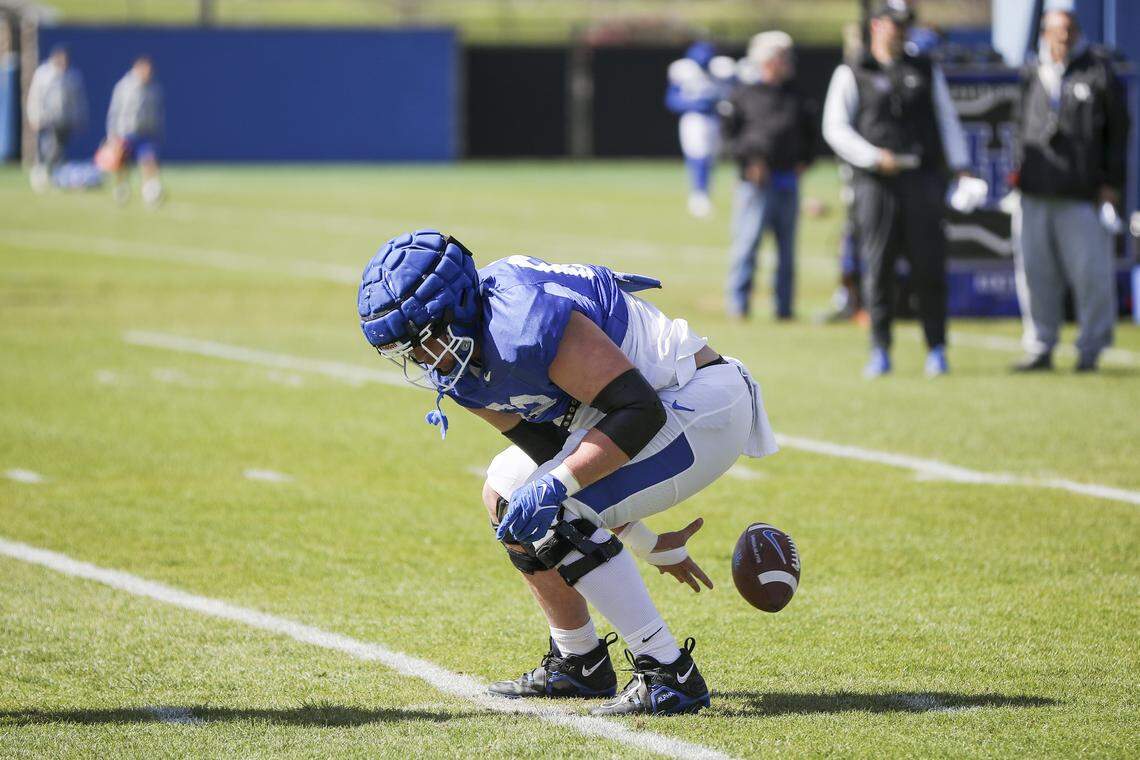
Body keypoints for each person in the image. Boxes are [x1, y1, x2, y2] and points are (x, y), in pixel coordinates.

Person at [357, 230, 778, 716]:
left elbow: (638, 412)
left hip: (698, 401)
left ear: (457, 308)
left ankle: (668, 672)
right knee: (505, 496)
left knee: (553, 503)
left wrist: (560, 487)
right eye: (407, 349)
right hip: (633, 412)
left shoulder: (524, 321)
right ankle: (578, 660)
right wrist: (643, 539)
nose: (422, 359)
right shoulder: (463, 366)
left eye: (425, 341)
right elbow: (553, 450)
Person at [822, 0, 971, 378]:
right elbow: (835, 128)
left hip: (920, 178)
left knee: (929, 265)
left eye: (905, 24)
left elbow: (946, 119)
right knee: (878, 267)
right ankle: (880, 349)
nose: (900, 30)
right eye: (893, 23)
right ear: (876, 25)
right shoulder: (854, 69)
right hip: (875, 183)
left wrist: (961, 167)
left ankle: (937, 348)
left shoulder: (923, 67)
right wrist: (873, 157)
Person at [1009, 1, 1130, 373]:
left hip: (1082, 193)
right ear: (1044, 33)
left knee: (1091, 275)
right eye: (1054, 30)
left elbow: (1118, 134)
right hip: (1035, 193)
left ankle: (1091, 348)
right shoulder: (1033, 71)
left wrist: (1111, 183)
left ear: (1076, 31)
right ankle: (1041, 345)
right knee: (1035, 275)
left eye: (1067, 29)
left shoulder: (1097, 72)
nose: (1061, 37)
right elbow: (1018, 126)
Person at [722, 31, 817, 321]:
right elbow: (726, 141)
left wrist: (804, 161)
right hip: (754, 185)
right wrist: (750, 161)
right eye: (781, 56)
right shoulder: (743, 94)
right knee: (746, 245)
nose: (787, 61)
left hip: (787, 182)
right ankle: (738, 306)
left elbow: (810, 136)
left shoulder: (797, 95)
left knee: (787, 253)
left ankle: (784, 309)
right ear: (766, 60)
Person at [665, 42, 734, 218]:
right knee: (698, 156)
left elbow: (735, 91)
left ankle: (705, 193)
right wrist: (694, 104)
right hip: (695, 119)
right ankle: (698, 195)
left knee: (711, 159)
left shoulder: (722, 69)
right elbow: (672, 99)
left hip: (717, 119)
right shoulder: (683, 71)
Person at [25, 45, 87, 193]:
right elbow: (35, 97)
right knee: (47, 148)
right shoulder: (43, 74)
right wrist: (34, 116)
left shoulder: (72, 76)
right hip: (46, 118)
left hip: (64, 119)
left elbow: (77, 101)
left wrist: (79, 118)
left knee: (59, 150)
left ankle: (55, 179)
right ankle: (40, 177)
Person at [106, 55, 165, 207]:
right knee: (123, 163)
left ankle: (150, 190)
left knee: (149, 160)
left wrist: (157, 129)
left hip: (146, 133)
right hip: (126, 131)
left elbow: (158, 111)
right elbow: (115, 111)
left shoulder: (154, 87)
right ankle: (122, 189)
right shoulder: (124, 86)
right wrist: (112, 134)